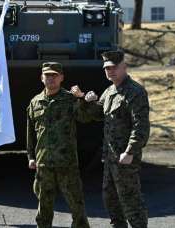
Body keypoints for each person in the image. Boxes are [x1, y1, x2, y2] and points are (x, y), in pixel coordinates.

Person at [71, 50, 150, 228]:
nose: (110, 71)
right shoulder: (109, 91)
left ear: (124, 67)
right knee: (111, 199)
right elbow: (94, 116)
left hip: (125, 158)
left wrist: (130, 151)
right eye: (107, 68)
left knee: (131, 201)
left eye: (114, 67)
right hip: (110, 158)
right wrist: (85, 100)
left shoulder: (135, 92)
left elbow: (141, 126)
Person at [26, 62, 97, 228]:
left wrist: (82, 99)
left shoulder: (70, 99)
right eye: (47, 75)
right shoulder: (35, 102)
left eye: (54, 75)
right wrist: (30, 156)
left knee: (76, 206)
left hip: (67, 163)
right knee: (44, 207)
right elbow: (30, 133)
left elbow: (85, 118)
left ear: (61, 78)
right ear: (41, 78)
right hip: (44, 163)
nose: (51, 78)